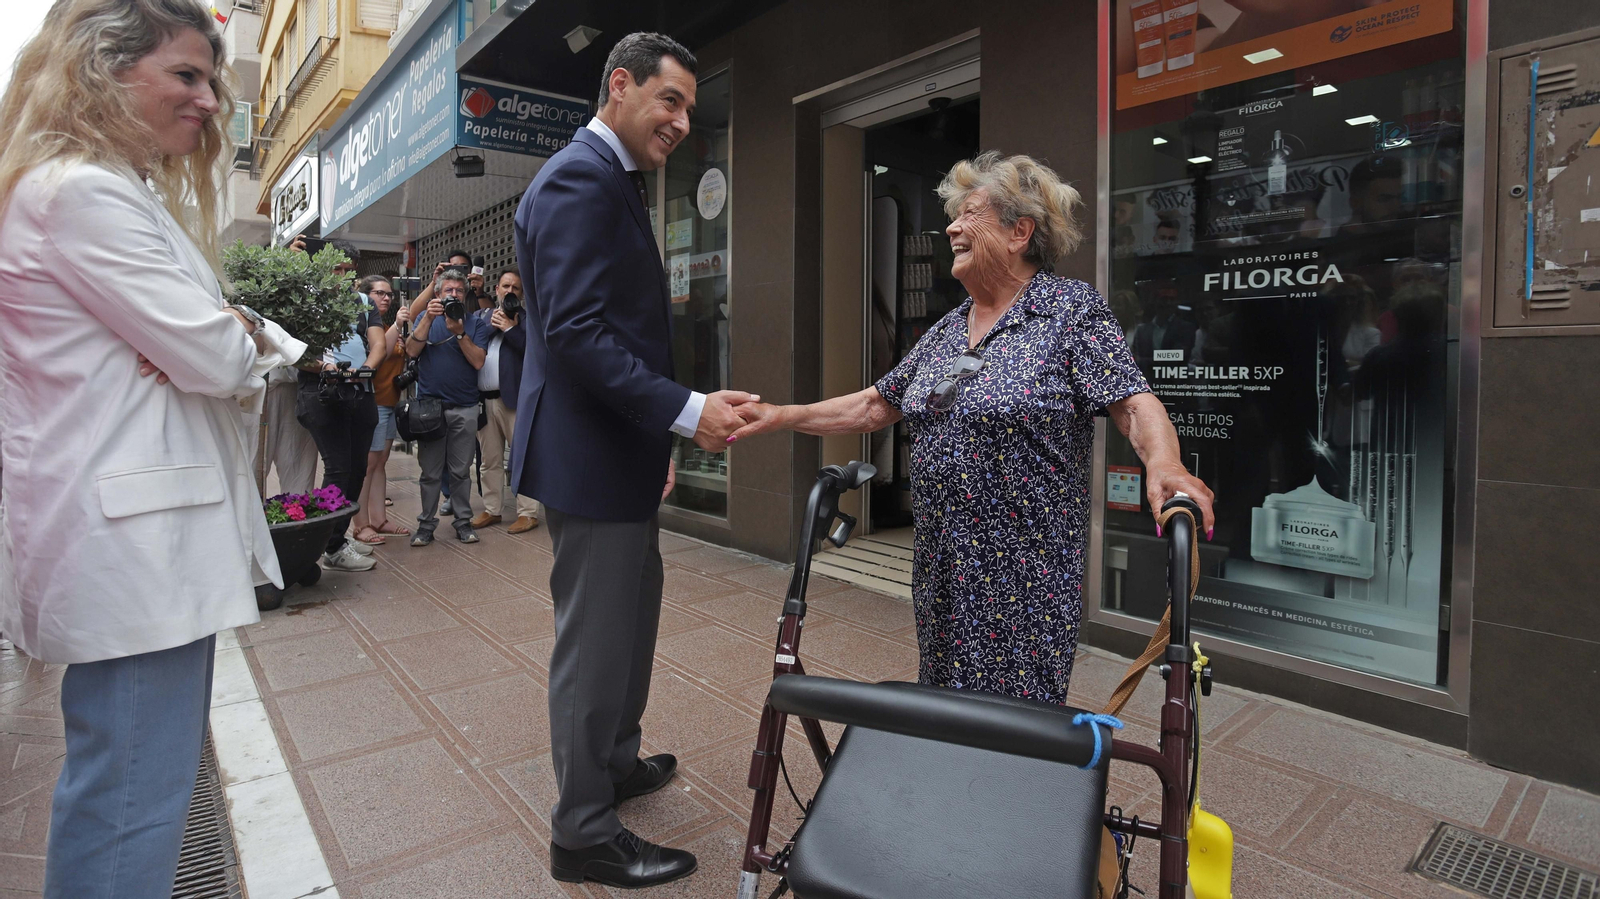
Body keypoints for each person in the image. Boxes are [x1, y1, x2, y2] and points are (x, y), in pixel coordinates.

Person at [0, 3, 308, 894]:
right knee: (134, 796)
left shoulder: (90, 187)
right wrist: (228, 335)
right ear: (101, 68)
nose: (210, 100)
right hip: (133, 546)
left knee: (129, 789)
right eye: (186, 74)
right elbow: (217, 355)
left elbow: (214, 346)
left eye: (211, 78)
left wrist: (223, 333)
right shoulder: (82, 192)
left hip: (135, 540)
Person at [729, 151, 1216, 705]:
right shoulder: (946, 330)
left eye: (970, 215)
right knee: (943, 700)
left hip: (1023, 572)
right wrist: (779, 416)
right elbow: (874, 406)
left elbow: (1131, 403)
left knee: (1012, 717)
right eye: (953, 216)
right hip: (940, 560)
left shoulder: (1068, 311)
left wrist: (1165, 463)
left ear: (1020, 232)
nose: (952, 227)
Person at [512, 31, 755, 889]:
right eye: (671, 100)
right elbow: (578, 333)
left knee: (630, 620)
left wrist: (656, 434)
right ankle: (581, 826)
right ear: (619, 86)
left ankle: (613, 761)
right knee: (595, 643)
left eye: (691, 105)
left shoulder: (604, 178)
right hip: (586, 458)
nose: (684, 121)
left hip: (613, 450)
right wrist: (688, 413)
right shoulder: (581, 177)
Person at [296, 248, 385, 571]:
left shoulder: (364, 303)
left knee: (358, 470)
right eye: (335, 269)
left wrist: (366, 369)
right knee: (338, 469)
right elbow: (294, 350)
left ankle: (338, 538)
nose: (341, 276)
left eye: (347, 270)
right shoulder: (306, 301)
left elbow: (378, 344)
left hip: (360, 393)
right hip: (322, 394)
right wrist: (326, 368)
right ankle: (327, 545)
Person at [404, 267, 490, 546]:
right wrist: (427, 318)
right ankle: (426, 525)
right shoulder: (425, 317)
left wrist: (460, 333)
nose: (454, 295)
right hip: (431, 409)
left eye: (459, 291)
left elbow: (478, 361)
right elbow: (411, 350)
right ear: (438, 294)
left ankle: (463, 522)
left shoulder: (475, 323)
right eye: (448, 291)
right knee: (429, 472)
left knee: (460, 471)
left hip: (465, 407)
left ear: (465, 296)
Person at [469, 268, 541, 533]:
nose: (510, 291)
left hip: (514, 400)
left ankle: (528, 512)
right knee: (489, 460)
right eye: (506, 286)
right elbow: (470, 343)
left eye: (516, 288)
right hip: (483, 400)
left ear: (522, 295)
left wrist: (511, 328)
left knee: (522, 457)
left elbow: (534, 354)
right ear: (496, 289)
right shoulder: (481, 317)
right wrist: (494, 323)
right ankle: (492, 509)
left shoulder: (528, 319)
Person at [351, 276, 414, 544]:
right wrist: (398, 325)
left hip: (389, 402)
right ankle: (361, 524)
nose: (386, 298)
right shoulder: (364, 325)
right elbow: (382, 352)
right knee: (367, 465)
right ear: (366, 297)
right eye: (380, 293)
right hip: (371, 402)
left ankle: (379, 519)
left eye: (389, 294)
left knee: (380, 463)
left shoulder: (387, 325)